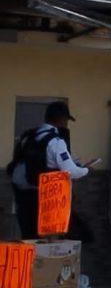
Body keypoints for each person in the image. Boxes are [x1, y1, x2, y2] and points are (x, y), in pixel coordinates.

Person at [8, 101, 92, 239]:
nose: (66, 124)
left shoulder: (29, 136)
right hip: (48, 201)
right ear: (62, 119)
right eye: (66, 121)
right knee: (49, 247)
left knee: (29, 240)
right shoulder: (56, 141)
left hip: (23, 197)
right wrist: (86, 170)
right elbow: (71, 171)